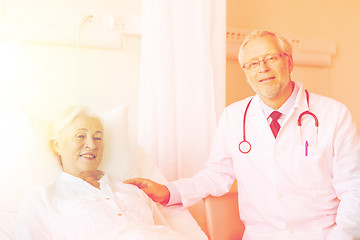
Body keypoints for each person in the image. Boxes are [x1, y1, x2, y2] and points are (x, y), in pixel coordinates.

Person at [125, 30, 360, 239]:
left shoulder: (334, 114)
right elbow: (217, 175)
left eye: (270, 58)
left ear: (289, 62)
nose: (263, 68)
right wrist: (169, 191)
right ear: (246, 72)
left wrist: (342, 236)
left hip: (321, 235)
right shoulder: (234, 117)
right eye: (253, 63)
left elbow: (354, 187)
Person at [14, 107, 201, 240]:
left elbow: (165, 232)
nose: (92, 144)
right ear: (57, 144)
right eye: (80, 136)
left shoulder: (133, 191)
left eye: (98, 138)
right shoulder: (42, 200)